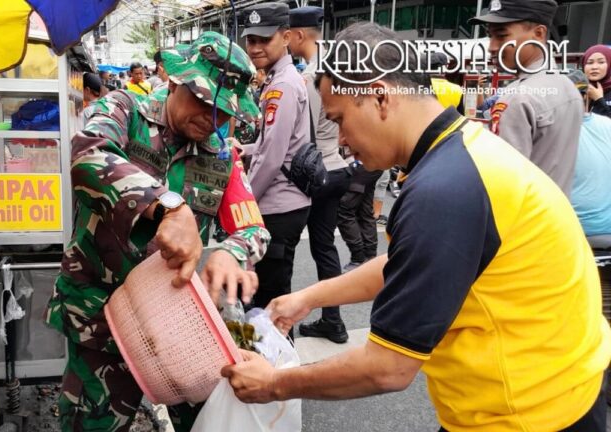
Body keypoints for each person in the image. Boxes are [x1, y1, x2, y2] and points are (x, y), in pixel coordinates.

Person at [222, 22, 611, 432]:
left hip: (525, 416)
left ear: (380, 96)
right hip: (555, 390)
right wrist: (305, 298)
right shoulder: (463, 151)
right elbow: (406, 262)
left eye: (339, 119)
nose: (341, 140)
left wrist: (274, 384)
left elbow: (387, 367)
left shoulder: (443, 190)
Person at [45, 32, 269, 432]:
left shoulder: (222, 154)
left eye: (223, 112)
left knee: (208, 423)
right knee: (93, 424)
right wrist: (166, 206)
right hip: (101, 316)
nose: (212, 120)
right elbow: (87, 154)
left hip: (178, 326)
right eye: (203, 102)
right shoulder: (125, 109)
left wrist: (231, 253)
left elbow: (252, 226)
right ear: (177, 79)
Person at [470, 0, 583, 197]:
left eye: (501, 36)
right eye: (490, 36)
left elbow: (504, 184)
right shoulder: (568, 87)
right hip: (558, 211)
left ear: (538, 34)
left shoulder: (518, 97)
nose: (492, 47)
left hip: (523, 213)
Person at [288, 6, 352, 343]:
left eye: (287, 35)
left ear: (299, 35)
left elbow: (299, 133)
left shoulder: (310, 78)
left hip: (316, 171)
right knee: (325, 248)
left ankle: (279, 324)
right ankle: (334, 321)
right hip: (338, 167)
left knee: (283, 245)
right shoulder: (338, 67)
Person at [242, 2, 311, 312]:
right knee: (268, 297)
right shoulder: (276, 78)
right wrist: (245, 149)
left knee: (270, 304)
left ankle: (279, 347)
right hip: (283, 203)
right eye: (251, 39)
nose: (256, 47)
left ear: (286, 37)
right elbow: (274, 143)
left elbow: (272, 157)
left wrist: (246, 205)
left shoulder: (281, 85)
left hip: (278, 206)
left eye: (264, 39)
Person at [567, 69, 611, 239]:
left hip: (570, 231)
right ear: (586, 96)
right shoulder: (607, 124)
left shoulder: (551, 129)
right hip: (606, 229)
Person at [582, 44, 611, 118]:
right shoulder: (576, 89)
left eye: (601, 62)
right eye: (590, 63)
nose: (594, 67)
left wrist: (599, 99)